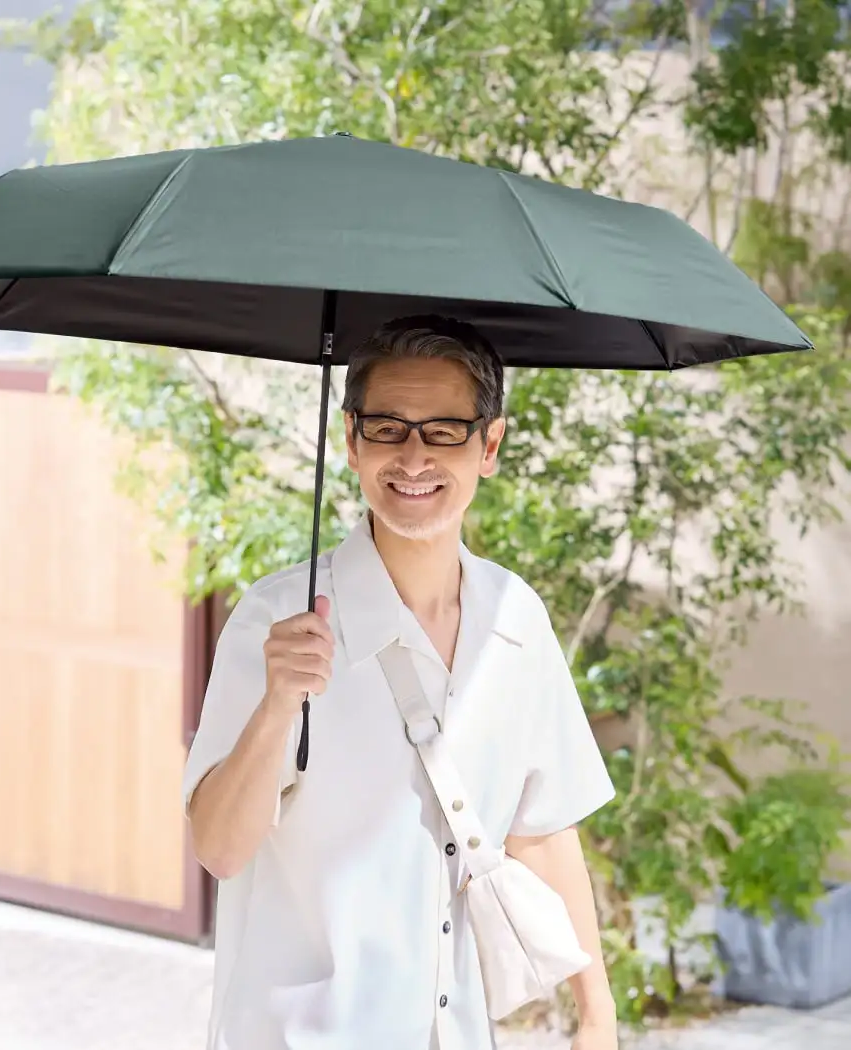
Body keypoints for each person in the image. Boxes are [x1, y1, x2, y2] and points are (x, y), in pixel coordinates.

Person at [182, 315, 618, 1050]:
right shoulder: (275, 619)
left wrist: (597, 1019)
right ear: (350, 442)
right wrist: (278, 702)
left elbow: (541, 830)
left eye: (444, 430)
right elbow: (220, 849)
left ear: (491, 445)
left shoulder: (516, 619)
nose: (413, 456)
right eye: (387, 427)